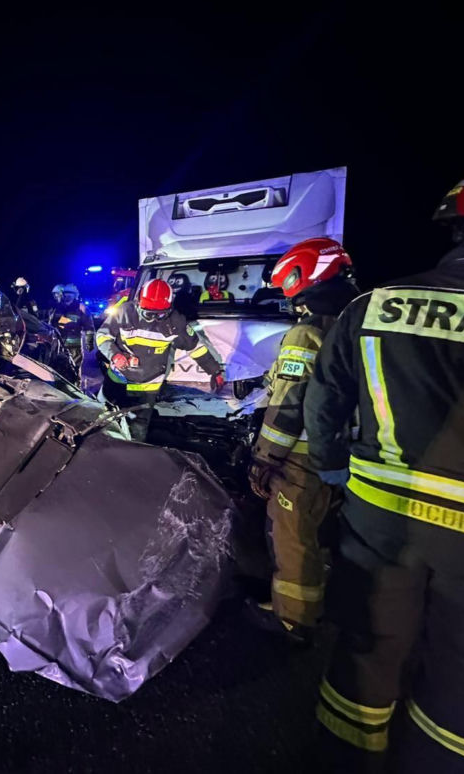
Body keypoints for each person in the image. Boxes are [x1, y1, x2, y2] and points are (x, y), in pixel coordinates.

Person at [305, 158, 464, 773]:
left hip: (377, 515)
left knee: (367, 646)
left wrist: (333, 467)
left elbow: (324, 402)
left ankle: (343, 758)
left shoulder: (374, 306)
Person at [244, 237, 358, 646]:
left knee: (291, 533)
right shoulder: (355, 320)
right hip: (341, 453)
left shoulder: (305, 333)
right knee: (320, 530)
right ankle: (318, 596)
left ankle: (293, 618)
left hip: (301, 458)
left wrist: (265, 458)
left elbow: (290, 405)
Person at [97, 278, 224, 442]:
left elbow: (196, 348)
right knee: (101, 419)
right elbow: (102, 336)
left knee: (136, 430)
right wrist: (115, 354)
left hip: (147, 387)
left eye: (160, 314)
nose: (153, 319)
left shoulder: (176, 322)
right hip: (117, 380)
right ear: (138, 303)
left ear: (170, 307)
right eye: (148, 313)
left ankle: (129, 459)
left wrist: (215, 371)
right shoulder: (124, 312)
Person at [48, 283, 95, 383]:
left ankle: (75, 387)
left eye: (70, 293)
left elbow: (89, 327)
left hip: (75, 346)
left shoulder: (81, 308)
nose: (67, 295)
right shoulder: (58, 307)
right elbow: (52, 324)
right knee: (58, 368)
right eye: (66, 293)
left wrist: (89, 342)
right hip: (59, 345)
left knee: (74, 368)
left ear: (75, 295)